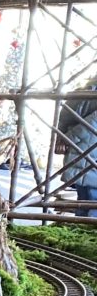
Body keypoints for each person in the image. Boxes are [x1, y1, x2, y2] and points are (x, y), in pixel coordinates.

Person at [56, 85, 97, 217]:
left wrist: (64, 139)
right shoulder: (86, 92)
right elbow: (91, 124)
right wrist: (65, 139)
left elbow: (64, 118)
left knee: (86, 202)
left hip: (82, 151)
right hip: (87, 152)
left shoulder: (84, 91)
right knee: (89, 204)